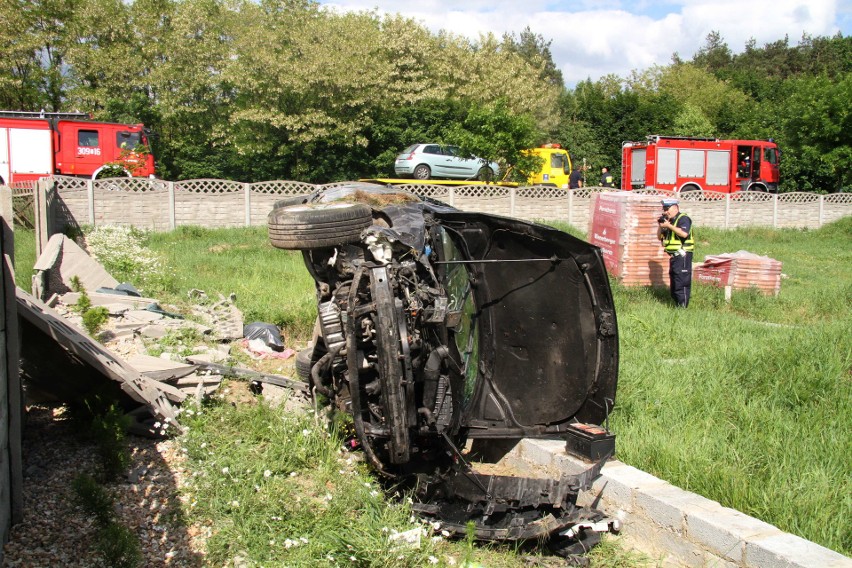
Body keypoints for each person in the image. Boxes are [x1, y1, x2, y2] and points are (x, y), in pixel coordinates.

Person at [657, 198, 694, 307]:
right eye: (664, 209)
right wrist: (661, 226)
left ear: (675, 208)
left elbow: (684, 234)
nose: (665, 212)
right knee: (674, 282)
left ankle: (683, 308)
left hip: (682, 255)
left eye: (667, 209)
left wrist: (669, 226)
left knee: (681, 282)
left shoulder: (683, 219)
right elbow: (659, 237)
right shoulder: (670, 221)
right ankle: (676, 305)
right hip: (674, 257)